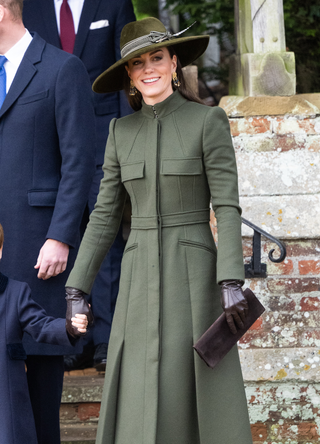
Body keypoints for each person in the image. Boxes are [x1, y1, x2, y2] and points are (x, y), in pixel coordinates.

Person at [66, 17, 253, 444]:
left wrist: (230, 279)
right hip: (137, 275)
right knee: (138, 381)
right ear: (130, 76)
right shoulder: (119, 131)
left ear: (173, 64)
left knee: (189, 384)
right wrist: (77, 288)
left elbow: (226, 206)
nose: (148, 69)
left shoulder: (208, 122)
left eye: (157, 58)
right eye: (138, 63)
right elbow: (105, 215)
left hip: (194, 273)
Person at [22, 0, 136, 371]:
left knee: (105, 238)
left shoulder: (114, 3)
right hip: (49, 143)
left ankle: (104, 339)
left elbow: (127, 69)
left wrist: (129, 140)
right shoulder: (30, 6)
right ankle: (72, 336)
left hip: (106, 140)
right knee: (59, 235)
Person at [0, 1, 95, 443]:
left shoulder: (62, 68)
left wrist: (60, 236)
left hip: (37, 249)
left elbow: (78, 163)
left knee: (39, 390)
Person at [0, 223, 90, 444]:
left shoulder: (15, 292)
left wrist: (69, 327)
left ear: (1, 251)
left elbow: (40, 324)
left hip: (5, 400)